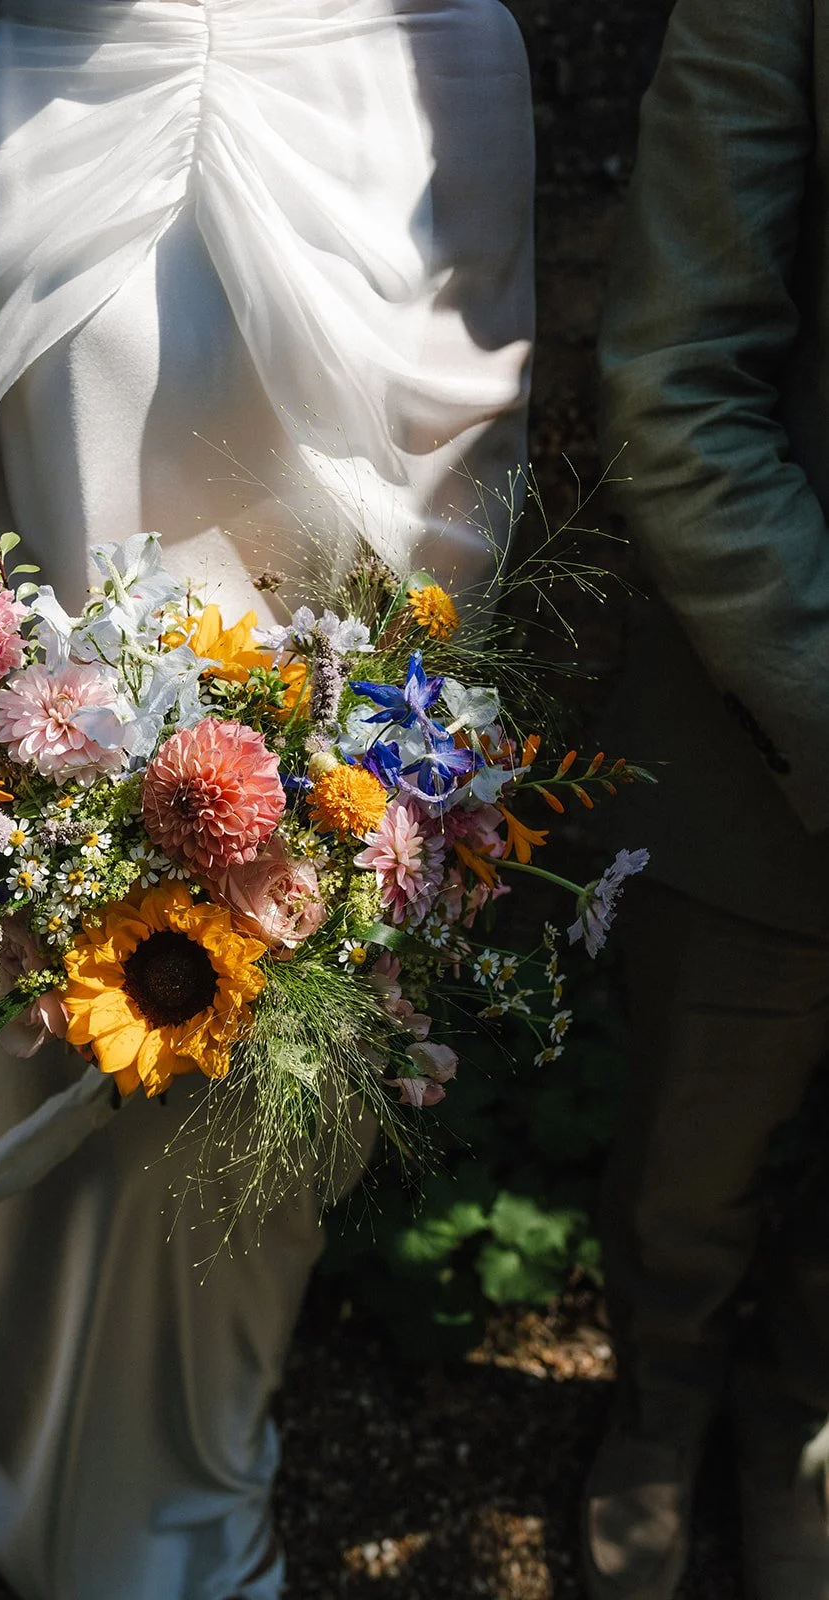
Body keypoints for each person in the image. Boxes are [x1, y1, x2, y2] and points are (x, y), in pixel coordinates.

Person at [0, 2, 534, 1596]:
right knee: (53, 1164)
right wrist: (35, 812)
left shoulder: (443, 47)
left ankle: (190, 1502)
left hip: (315, 828)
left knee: (235, 1220)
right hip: (34, 807)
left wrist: (358, 792)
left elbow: (470, 462)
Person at [585, 1, 829, 1596]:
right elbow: (675, 386)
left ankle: (799, 1418)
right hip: (769, 741)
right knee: (688, 1155)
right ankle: (658, 1402)